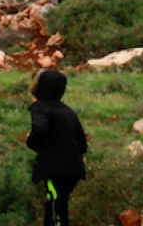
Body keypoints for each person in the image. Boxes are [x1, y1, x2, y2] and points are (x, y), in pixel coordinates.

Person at [26, 69, 87, 226]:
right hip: (73, 169)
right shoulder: (69, 112)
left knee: (55, 206)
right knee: (58, 205)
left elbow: (40, 128)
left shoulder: (40, 108)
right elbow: (82, 144)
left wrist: (32, 142)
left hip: (53, 169)